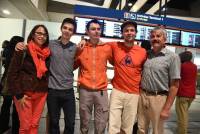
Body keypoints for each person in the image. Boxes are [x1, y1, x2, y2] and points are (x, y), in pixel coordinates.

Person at [7, 24, 50, 134]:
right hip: (25, 94)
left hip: (41, 93)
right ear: (33, 35)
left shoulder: (47, 53)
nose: (42, 36)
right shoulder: (23, 50)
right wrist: (19, 94)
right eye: (39, 33)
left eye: (44, 34)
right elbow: (12, 74)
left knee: (34, 124)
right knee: (25, 126)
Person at [137, 26, 181, 134]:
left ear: (165, 39)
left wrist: (166, 108)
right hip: (143, 96)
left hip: (159, 98)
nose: (155, 38)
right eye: (152, 36)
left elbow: (175, 85)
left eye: (158, 36)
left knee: (157, 131)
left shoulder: (173, 57)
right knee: (141, 129)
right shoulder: (147, 54)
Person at [108, 21, 147, 134]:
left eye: (132, 30)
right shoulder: (115, 46)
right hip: (117, 91)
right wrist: (84, 40)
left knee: (127, 127)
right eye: (126, 31)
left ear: (136, 33)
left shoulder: (142, 52)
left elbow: (145, 70)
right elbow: (98, 42)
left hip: (133, 94)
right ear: (122, 33)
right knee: (113, 126)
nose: (129, 33)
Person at [74, 19, 112, 134]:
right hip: (85, 90)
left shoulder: (107, 48)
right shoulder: (81, 48)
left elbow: (118, 63)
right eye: (93, 29)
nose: (96, 31)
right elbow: (72, 66)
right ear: (87, 32)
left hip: (101, 91)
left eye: (98, 29)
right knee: (84, 120)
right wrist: (76, 51)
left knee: (101, 122)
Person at [0, 36, 24, 134]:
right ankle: (15, 129)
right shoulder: (16, 52)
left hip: (6, 80)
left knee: (5, 105)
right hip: (13, 81)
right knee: (16, 108)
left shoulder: (6, 51)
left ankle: (3, 126)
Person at [175, 51, 197, 134]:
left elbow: (176, 77)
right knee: (184, 113)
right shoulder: (194, 67)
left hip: (183, 94)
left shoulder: (182, 66)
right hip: (191, 94)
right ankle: (181, 130)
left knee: (181, 115)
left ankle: (182, 132)